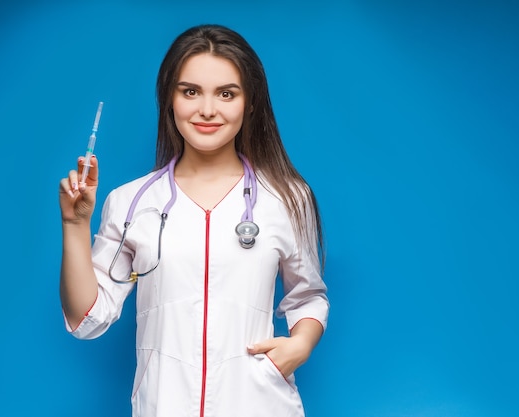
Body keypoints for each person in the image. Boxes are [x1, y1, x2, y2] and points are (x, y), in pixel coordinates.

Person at [58, 24, 329, 417]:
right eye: (190, 91)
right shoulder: (131, 202)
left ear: (250, 103)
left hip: (258, 404)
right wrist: (74, 226)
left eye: (226, 93)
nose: (207, 109)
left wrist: (299, 345)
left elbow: (308, 296)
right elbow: (87, 318)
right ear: (170, 99)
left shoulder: (287, 198)